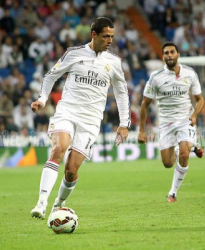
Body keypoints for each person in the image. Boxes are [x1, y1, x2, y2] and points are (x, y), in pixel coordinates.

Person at [30, 17, 131, 223]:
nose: (110, 40)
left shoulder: (114, 62)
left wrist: (124, 123)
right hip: (67, 112)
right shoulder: (74, 54)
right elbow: (51, 75)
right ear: (94, 35)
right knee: (58, 149)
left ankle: (58, 205)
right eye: (106, 36)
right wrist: (42, 98)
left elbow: (121, 92)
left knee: (71, 170)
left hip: (91, 121)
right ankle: (41, 203)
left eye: (112, 36)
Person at [137, 42, 204, 203]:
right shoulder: (156, 77)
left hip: (185, 120)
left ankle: (173, 193)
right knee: (167, 163)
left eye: (172, 52)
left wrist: (194, 115)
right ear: (163, 57)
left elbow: (200, 99)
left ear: (178, 54)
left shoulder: (190, 73)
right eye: (166, 53)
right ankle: (192, 145)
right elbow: (144, 104)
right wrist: (141, 130)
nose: (169, 55)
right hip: (166, 123)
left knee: (183, 154)